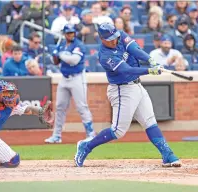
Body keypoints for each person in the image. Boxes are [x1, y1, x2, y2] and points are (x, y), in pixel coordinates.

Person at [74, 23, 181, 168]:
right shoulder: (105, 56)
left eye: (115, 36)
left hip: (137, 86)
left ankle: (167, 155)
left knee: (150, 121)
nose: (115, 40)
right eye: (110, 39)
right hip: (122, 90)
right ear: (102, 39)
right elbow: (127, 70)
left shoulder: (119, 35)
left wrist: (150, 59)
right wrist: (150, 71)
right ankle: (86, 146)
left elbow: (134, 49)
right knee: (118, 131)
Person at [44, 24, 96, 144]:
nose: (70, 35)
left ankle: (91, 134)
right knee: (60, 107)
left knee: (82, 106)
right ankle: (56, 135)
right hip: (64, 78)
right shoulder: (61, 44)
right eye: (68, 33)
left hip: (77, 78)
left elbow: (73, 60)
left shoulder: (78, 45)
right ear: (64, 34)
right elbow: (56, 62)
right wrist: (54, 55)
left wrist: (60, 54)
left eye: (72, 33)